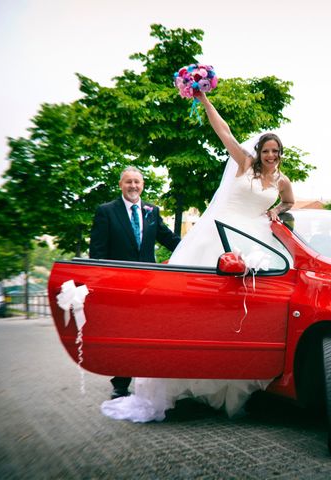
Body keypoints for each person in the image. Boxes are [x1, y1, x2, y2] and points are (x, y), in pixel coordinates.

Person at [100, 92, 295, 422]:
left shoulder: (282, 181)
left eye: (276, 151)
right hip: (217, 237)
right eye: (266, 150)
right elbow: (225, 132)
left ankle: (228, 376)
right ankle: (179, 376)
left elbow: (289, 202)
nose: (271, 155)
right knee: (196, 309)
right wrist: (203, 98)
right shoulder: (244, 165)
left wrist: (276, 210)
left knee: (240, 312)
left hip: (254, 241)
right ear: (259, 152)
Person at [90, 166, 180, 399]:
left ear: (142, 185)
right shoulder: (106, 211)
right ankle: (120, 384)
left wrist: (197, 246)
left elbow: (169, 239)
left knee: (146, 331)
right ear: (120, 185)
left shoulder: (152, 210)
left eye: (137, 182)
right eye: (128, 182)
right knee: (121, 334)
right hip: (118, 285)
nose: (133, 186)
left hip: (148, 283)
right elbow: (97, 253)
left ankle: (147, 376)